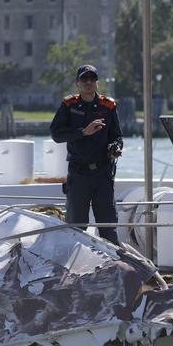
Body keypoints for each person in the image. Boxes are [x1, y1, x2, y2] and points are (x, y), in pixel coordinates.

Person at [50, 64, 123, 245]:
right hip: (79, 174)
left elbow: (117, 135)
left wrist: (116, 147)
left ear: (97, 83)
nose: (88, 82)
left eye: (92, 79)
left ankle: (114, 267)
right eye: (84, 79)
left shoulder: (108, 105)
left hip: (103, 174)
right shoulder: (69, 104)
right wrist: (83, 132)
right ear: (77, 83)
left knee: (108, 226)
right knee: (76, 228)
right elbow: (56, 134)